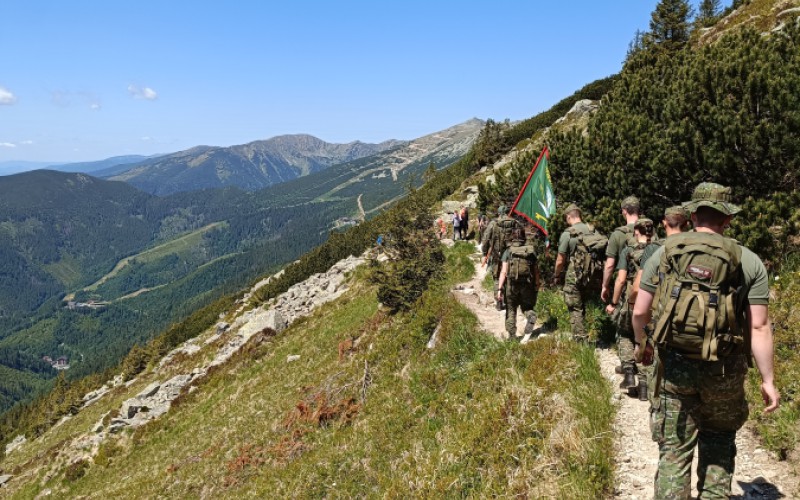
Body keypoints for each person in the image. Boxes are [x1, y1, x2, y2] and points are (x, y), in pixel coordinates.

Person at [632, 183, 779, 499]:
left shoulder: (664, 252)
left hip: (673, 367)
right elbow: (760, 327)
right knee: (718, 444)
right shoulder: (748, 261)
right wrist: (768, 380)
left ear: (693, 214)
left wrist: (642, 345)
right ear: (727, 220)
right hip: (723, 370)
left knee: (674, 449)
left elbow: (640, 311)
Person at [606, 217, 657, 397]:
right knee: (646, 338)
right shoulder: (659, 250)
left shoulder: (628, 251)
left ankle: (628, 373)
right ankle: (644, 386)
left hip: (632, 299)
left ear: (636, 232)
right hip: (655, 301)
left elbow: (620, 280)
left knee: (624, 333)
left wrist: (613, 302)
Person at [603, 196, 643, 387]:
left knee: (623, 329)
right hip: (650, 291)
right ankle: (644, 376)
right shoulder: (650, 232)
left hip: (627, 290)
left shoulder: (618, 234)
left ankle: (628, 369)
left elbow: (610, 265)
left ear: (624, 211)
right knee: (644, 331)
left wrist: (605, 288)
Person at [553, 204, 595, 343]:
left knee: (575, 307)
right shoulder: (592, 230)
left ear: (569, 216)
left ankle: (581, 341)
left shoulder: (568, 233)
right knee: (584, 304)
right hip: (593, 273)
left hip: (575, 275)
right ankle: (592, 331)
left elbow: (560, 260)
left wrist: (557, 275)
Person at [496, 227, 540, 341]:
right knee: (527, 307)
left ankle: (512, 336)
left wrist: (499, 289)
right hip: (527, 284)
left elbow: (504, 272)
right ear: (524, 237)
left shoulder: (508, 251)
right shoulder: (530, 251)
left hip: (512, 286)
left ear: (513, 237)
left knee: (511, 309)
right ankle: (531, 315)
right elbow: (536, 271)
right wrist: (537, 284)